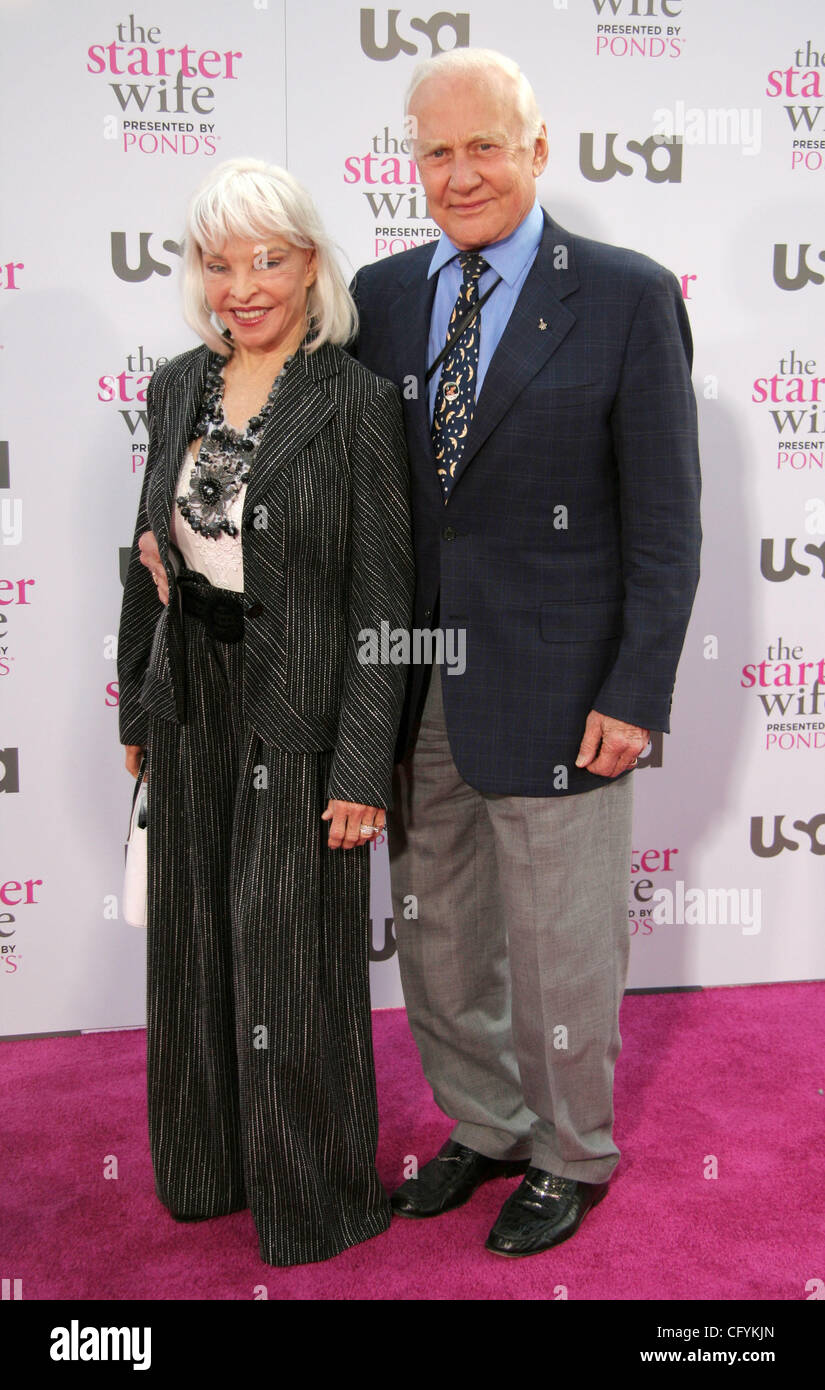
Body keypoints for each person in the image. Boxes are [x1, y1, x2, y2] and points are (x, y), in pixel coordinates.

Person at [350, 48, 701, 1257]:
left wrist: (637, 689)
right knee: (440, 934)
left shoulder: (625, 293)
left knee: (560, 949)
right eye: (437, 150)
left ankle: (571, 1152)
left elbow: (665, 519)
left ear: (538, 149)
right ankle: (487, 1123)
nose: (460, 172)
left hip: (563, 690)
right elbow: (349, 487)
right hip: (414, 683)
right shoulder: (383, 296)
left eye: (484, 144)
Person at [117, 157, 414, 1267]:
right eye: (219, 261)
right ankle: (208, 1169)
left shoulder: (354, 403)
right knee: (192, 946)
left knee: (294, 963)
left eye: (268, 260)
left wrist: (359, 767)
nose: (242, 285)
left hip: (301, 709)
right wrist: (134, 698)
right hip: (190, 699)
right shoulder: (176, 384)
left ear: (310, 266)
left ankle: (318, 1194)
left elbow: (386, 599)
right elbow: (146, 551)